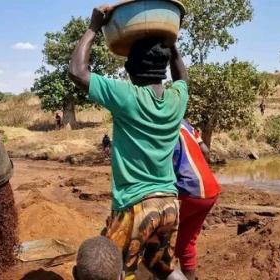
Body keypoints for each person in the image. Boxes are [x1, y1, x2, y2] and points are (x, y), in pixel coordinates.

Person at [69, 5, 189, 280]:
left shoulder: (127, 97)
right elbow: (183, 78)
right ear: (163, 69)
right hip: (169, 203)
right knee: (164, 268)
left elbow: (77, 71)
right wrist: (173, 47)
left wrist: (93, 26)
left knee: (115, 271)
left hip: (135, 206)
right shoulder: (177, 99)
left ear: (130, 70)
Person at [173, 120, 221, 280]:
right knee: (186, 242)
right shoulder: (182, 122)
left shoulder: (156, 122)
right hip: (210, 188)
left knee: (160, 240)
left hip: (188, 190)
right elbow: (205, 150)